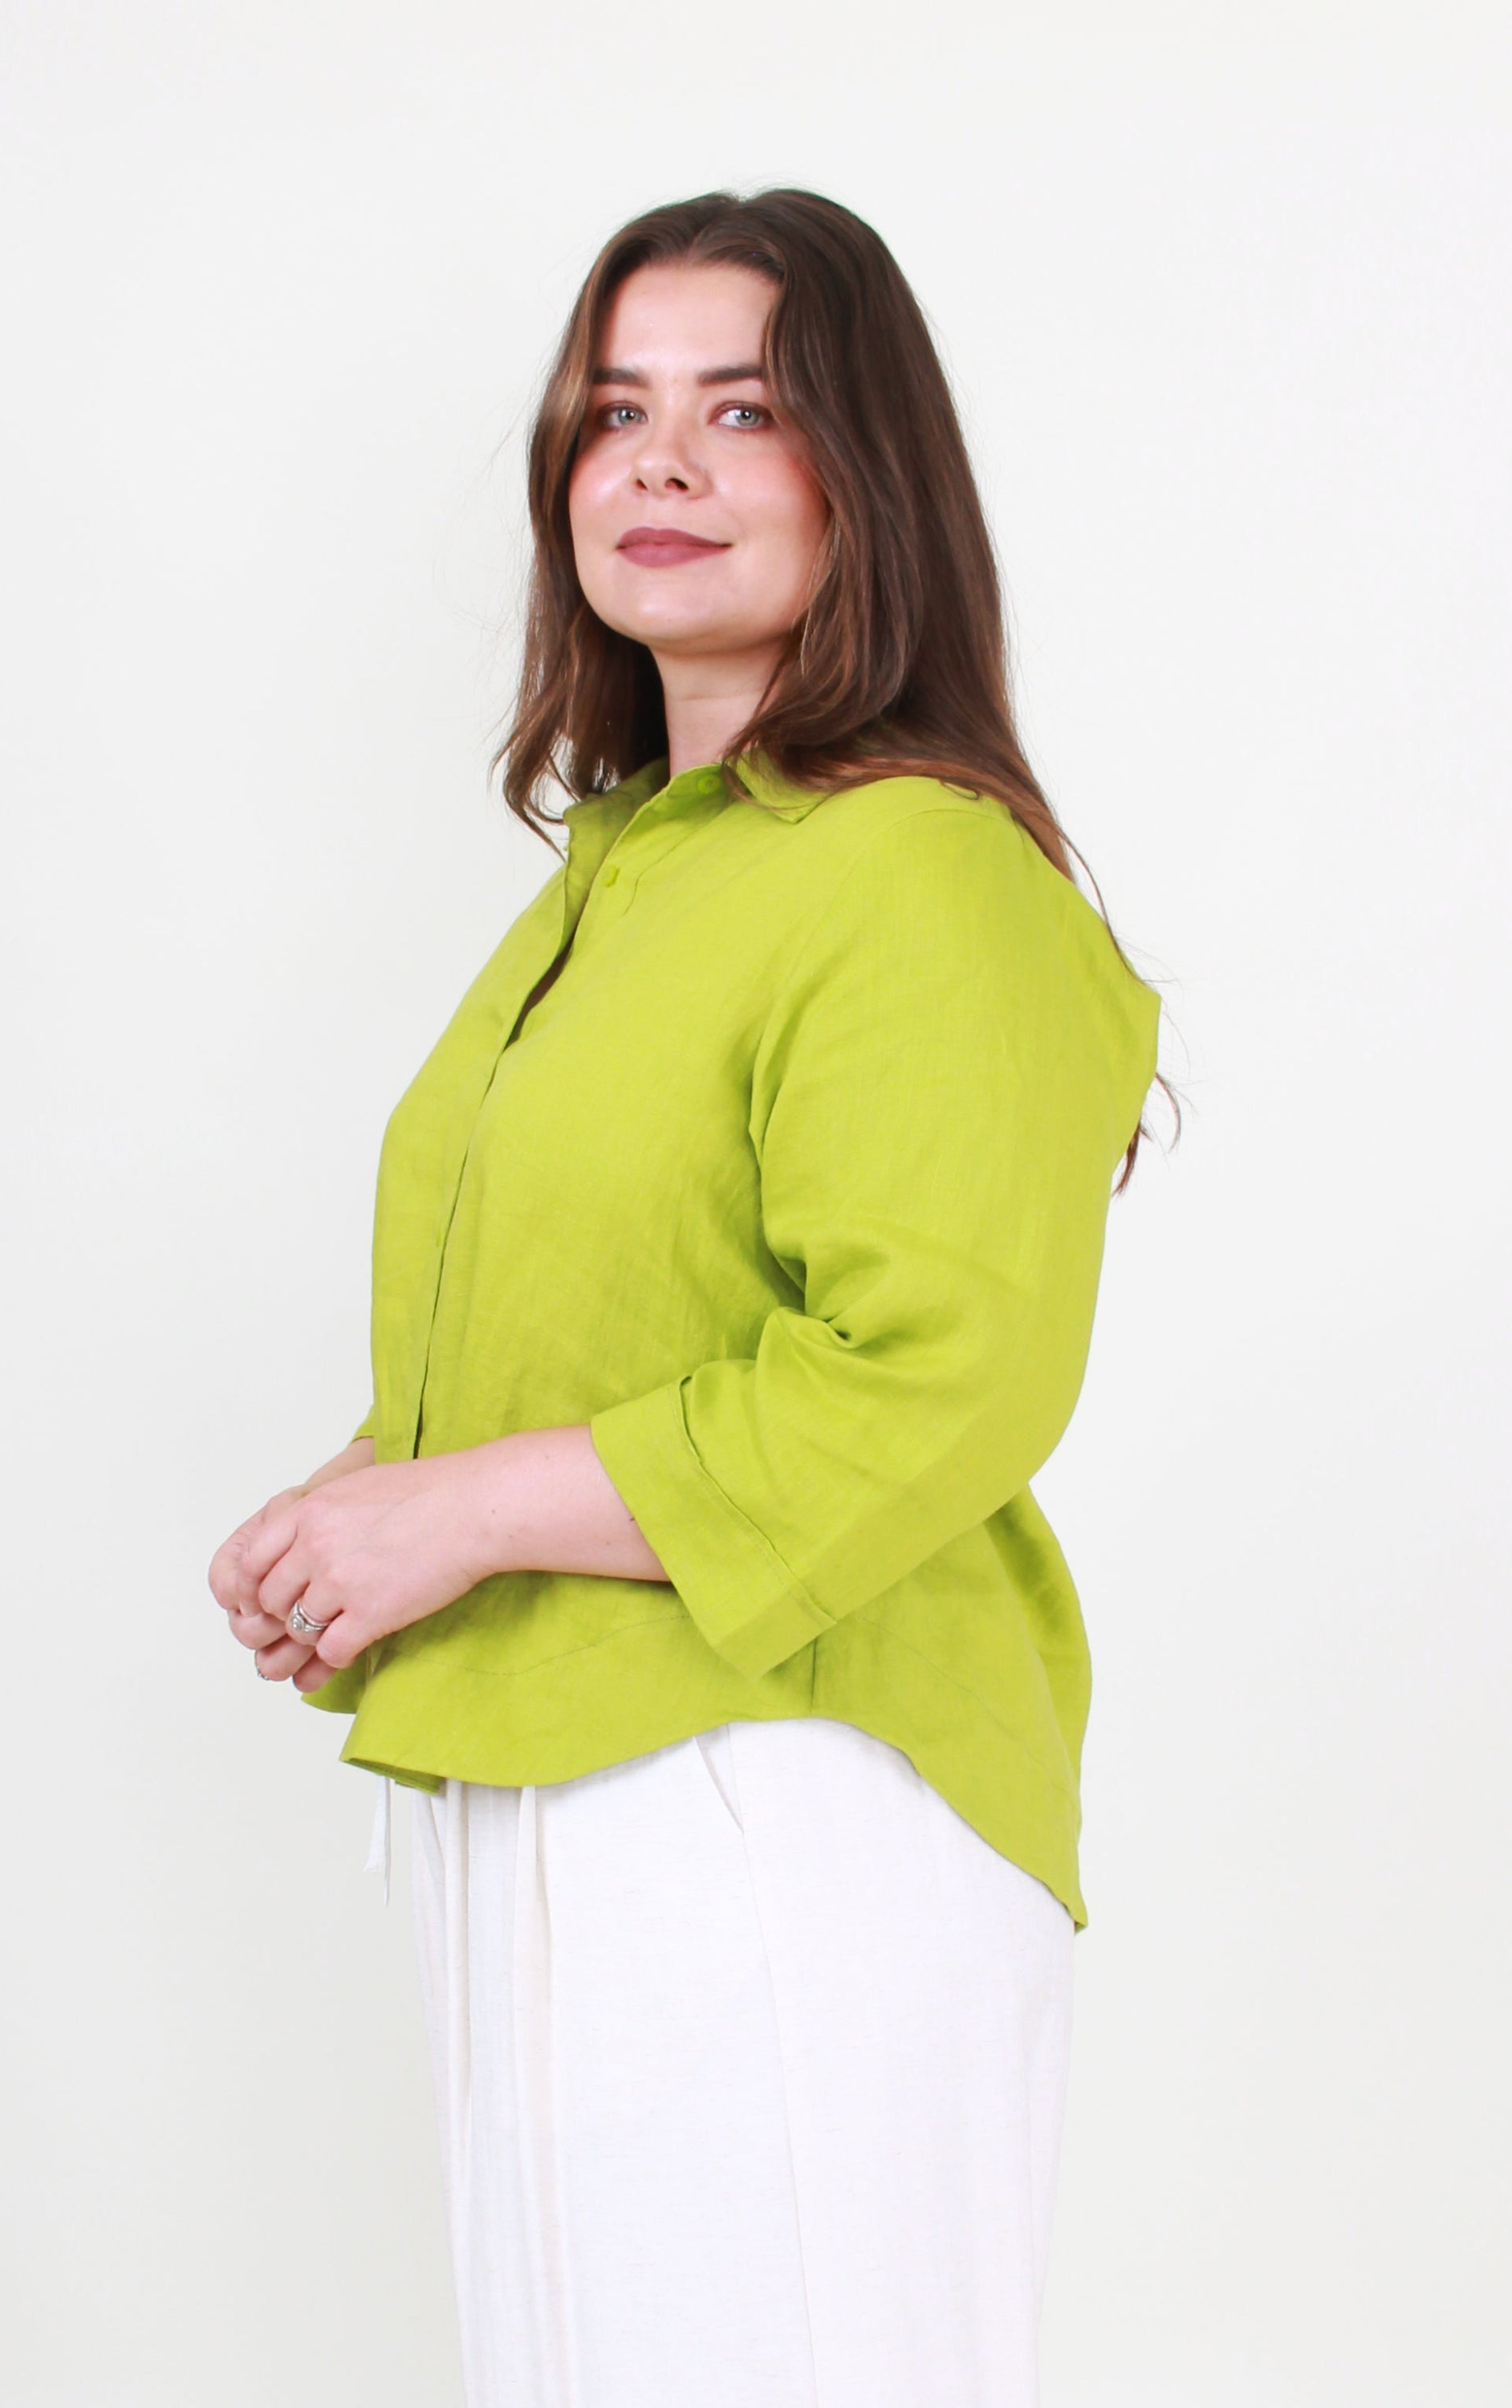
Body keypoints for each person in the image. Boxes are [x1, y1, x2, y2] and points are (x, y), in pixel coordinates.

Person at [209, 188, 1163, 2408]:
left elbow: (930, 1375)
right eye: (615, 411)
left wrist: (452, 1516)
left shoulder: (917, 868)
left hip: (782, 1794)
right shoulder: (630, 874)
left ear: (868, 471)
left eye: (744, 410)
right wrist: (364, 1497)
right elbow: (608, 1306)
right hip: (546, 1776)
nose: (659, 463)